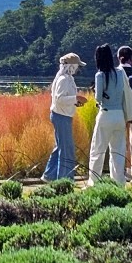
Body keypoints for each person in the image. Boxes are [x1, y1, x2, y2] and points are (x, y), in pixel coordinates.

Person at [89, 44, 131, 182]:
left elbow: (98, 98)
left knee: (98, 150)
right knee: (118, 151)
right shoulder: (120, 73)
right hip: (119, 114)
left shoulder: (100, 75)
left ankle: (93, 181)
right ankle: (119, 182)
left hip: (105, 114)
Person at [45, 52, 84, 182]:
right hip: (61, 116)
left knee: (60, 146)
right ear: (71, 66)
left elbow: (62, 99)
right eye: (77, 66)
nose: (78, 68)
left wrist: (75, 102)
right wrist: (75, 98)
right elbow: (59, 99)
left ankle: (50, 175)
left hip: (62, 115)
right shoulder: (63, 79)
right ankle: (64, 179)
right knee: (67, 149)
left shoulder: (67, 78)